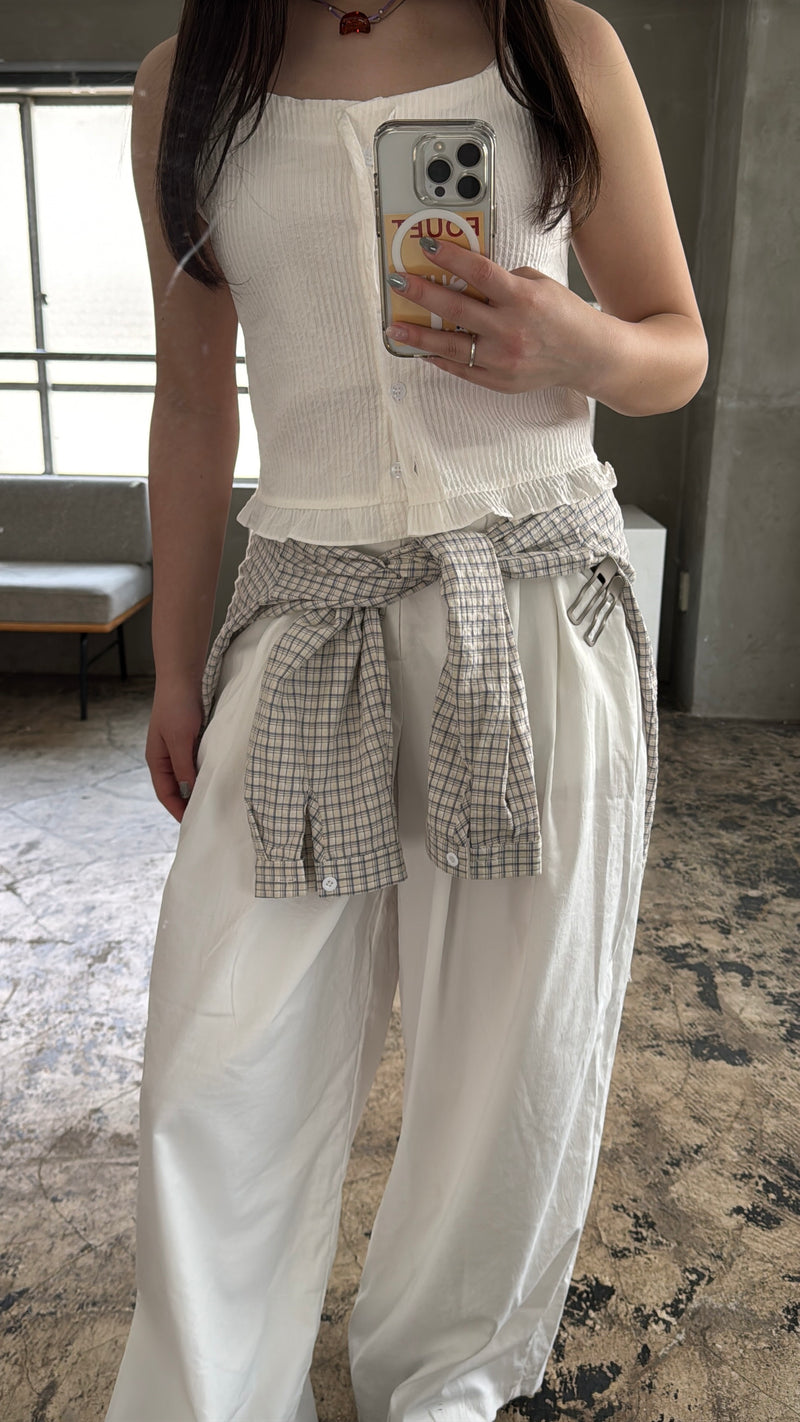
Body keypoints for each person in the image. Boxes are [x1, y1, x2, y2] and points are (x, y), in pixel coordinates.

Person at [105, 1, 708, 1418]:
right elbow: (191, 399)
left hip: (534, 595)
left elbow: (677, 344)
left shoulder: (553, 42)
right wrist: (176, 666)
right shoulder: (186, 81)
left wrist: (575, 344)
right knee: (216, 1054)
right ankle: (207, 1396)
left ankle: (447, 1383)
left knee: (513, 1059)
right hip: (305, 611)